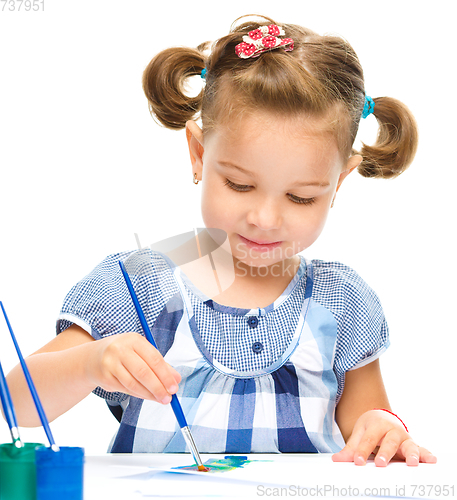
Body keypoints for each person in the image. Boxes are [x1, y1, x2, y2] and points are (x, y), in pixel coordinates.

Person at [5, 15, 436, 466]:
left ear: (339, 182)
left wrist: (384, 429)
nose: (265, 218)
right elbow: (14, 402)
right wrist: (91, 362)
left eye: (300, 196)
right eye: (240, 185)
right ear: (199, 154)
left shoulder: (340, 301)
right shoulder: (142, 285)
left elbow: (369, 424)